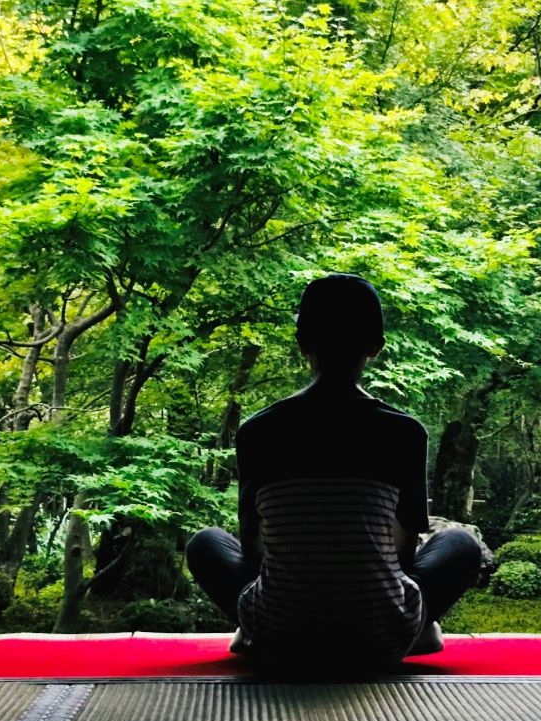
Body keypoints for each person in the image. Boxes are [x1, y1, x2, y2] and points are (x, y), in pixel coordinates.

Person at [184, 274, 483, 668]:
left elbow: (255, 549)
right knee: (461, 545)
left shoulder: (259, 431)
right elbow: (403, 551)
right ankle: (416, 630)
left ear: (302, 343)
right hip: (379, 636)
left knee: (205, 543)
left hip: (279, 632)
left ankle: (255, 629)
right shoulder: (403, 432)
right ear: (377, 346)